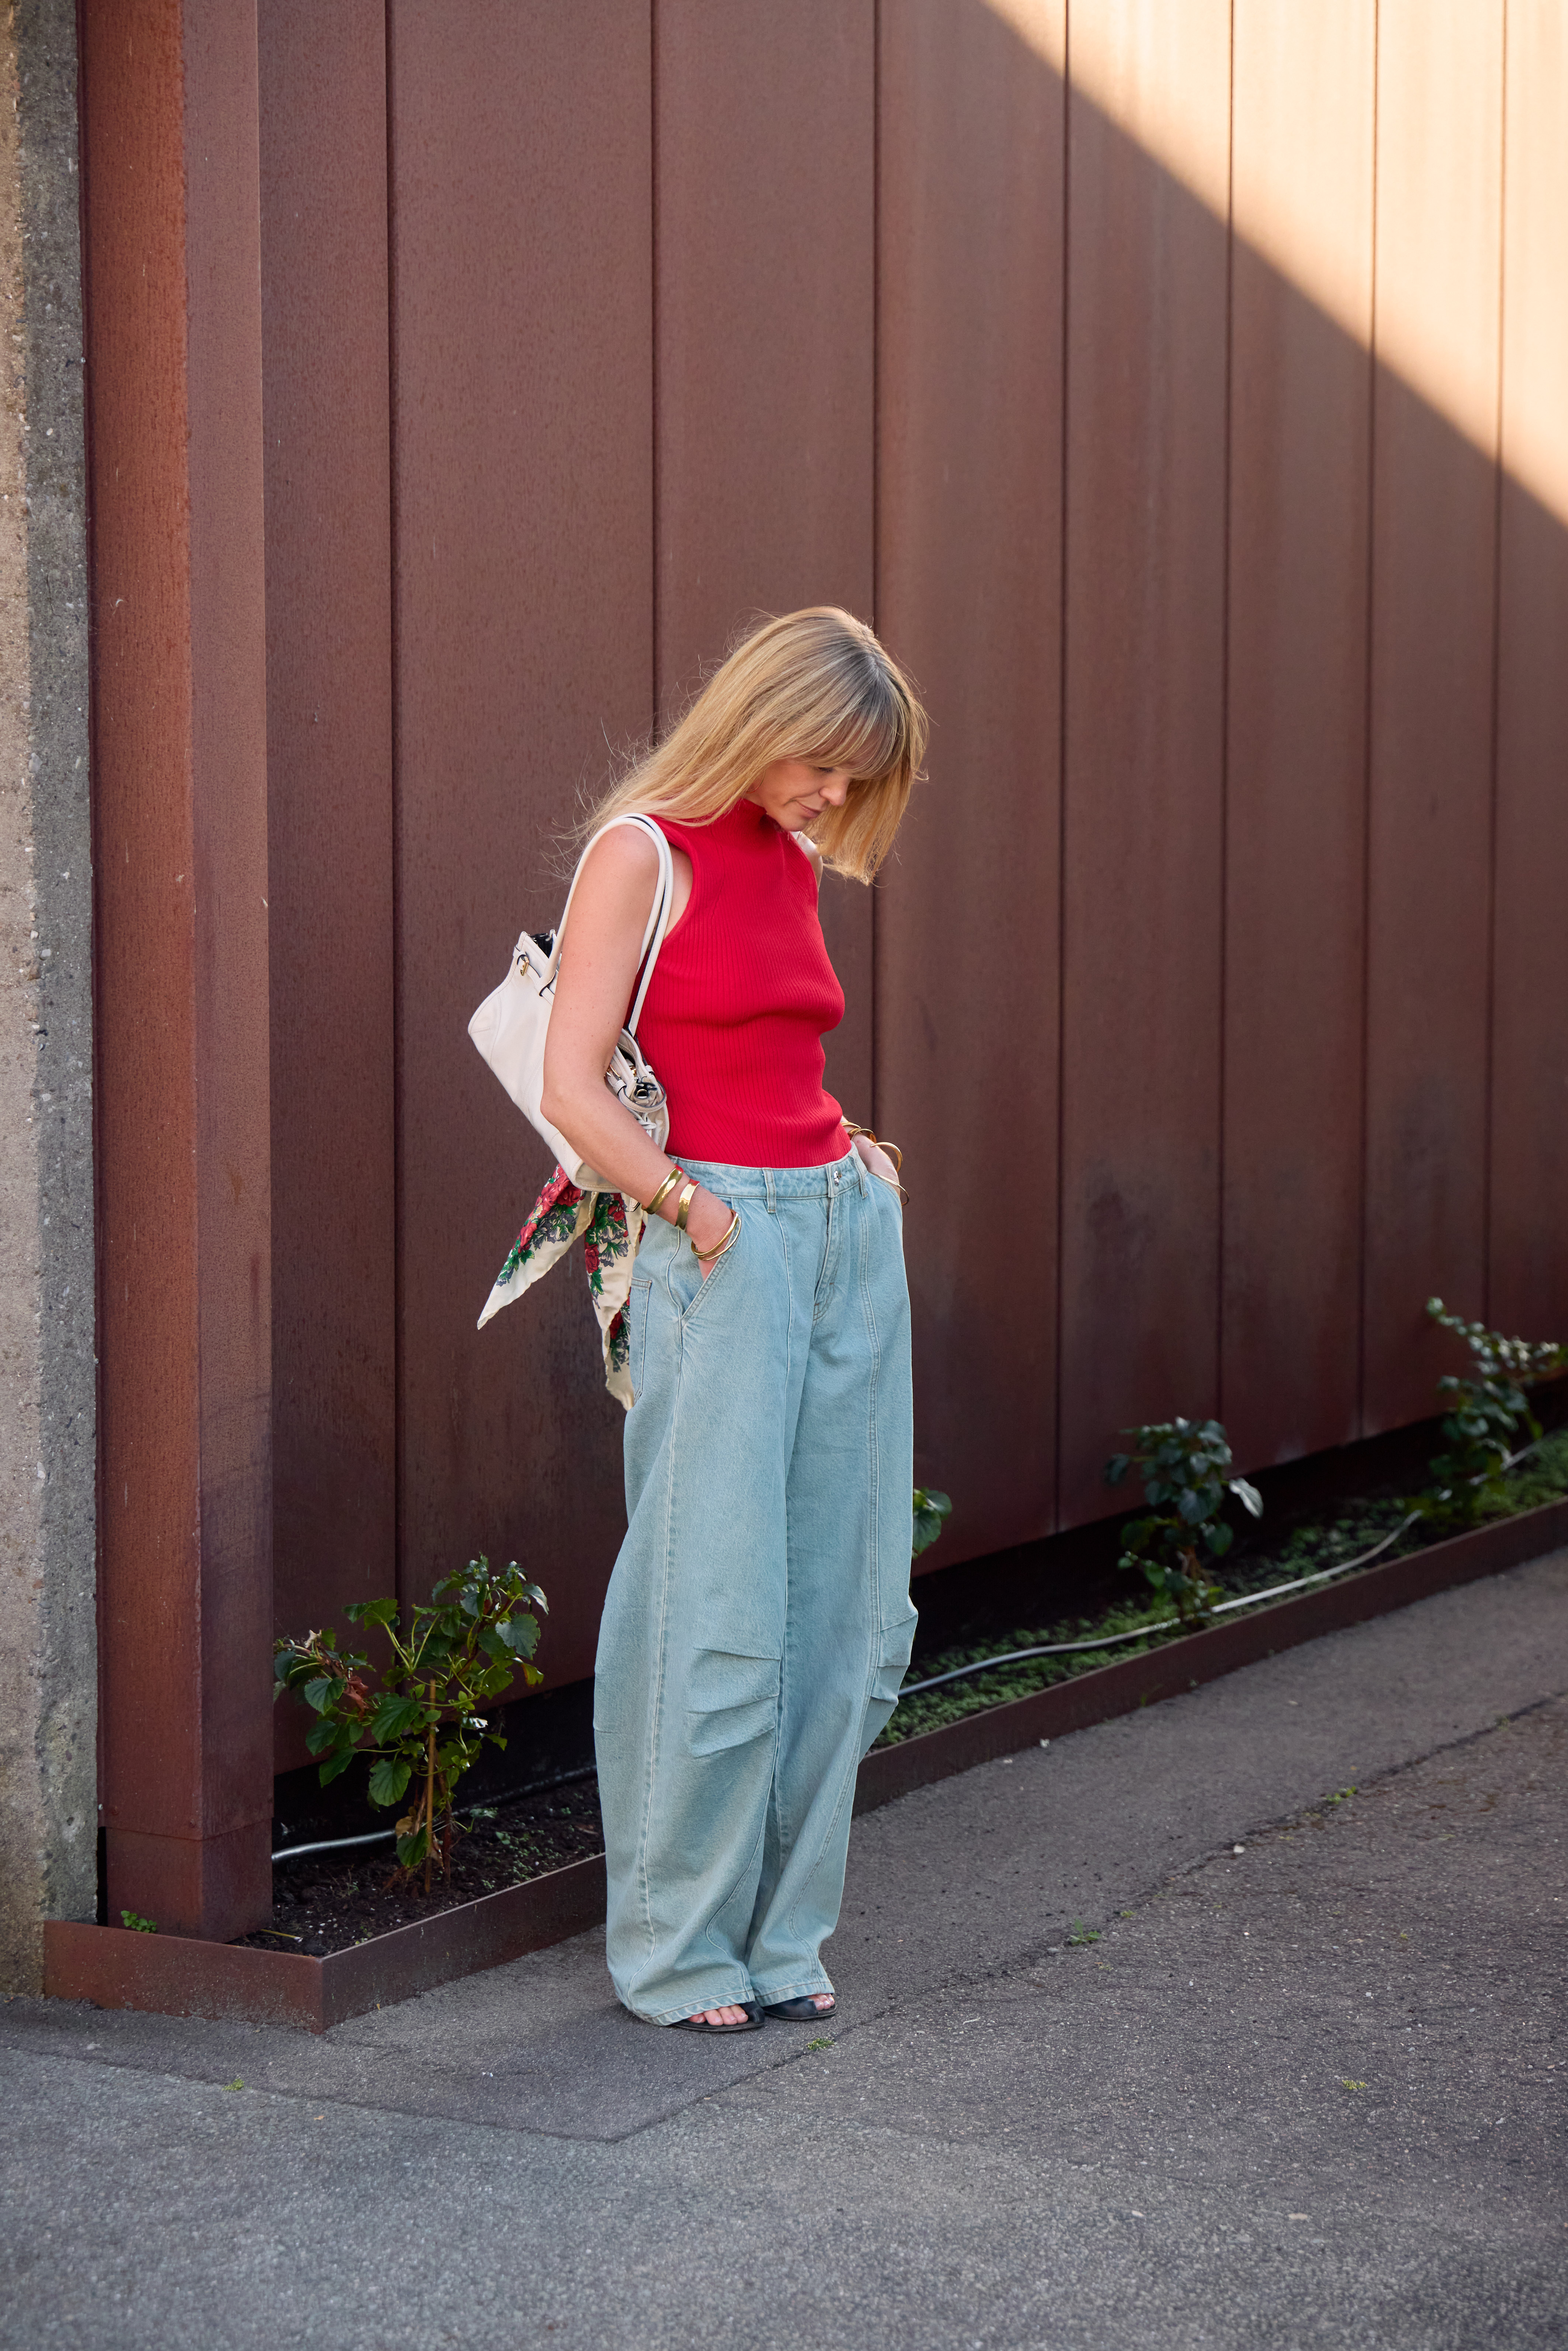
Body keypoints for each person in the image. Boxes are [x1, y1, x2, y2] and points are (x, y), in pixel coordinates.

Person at [540, 607, 927, 2032]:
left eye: (854, 775)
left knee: (848, 1599)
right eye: (822, 761)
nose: (833, 792)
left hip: (839, 1227)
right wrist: (695, 1212)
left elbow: (776, 1052)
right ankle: (676, 1948)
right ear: (762, 721)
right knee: (707, 1595)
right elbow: (572, 1084)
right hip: (718, 1241)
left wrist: (850, 1159)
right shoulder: (642, 853)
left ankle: (780, 1934)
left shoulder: (793, 856)